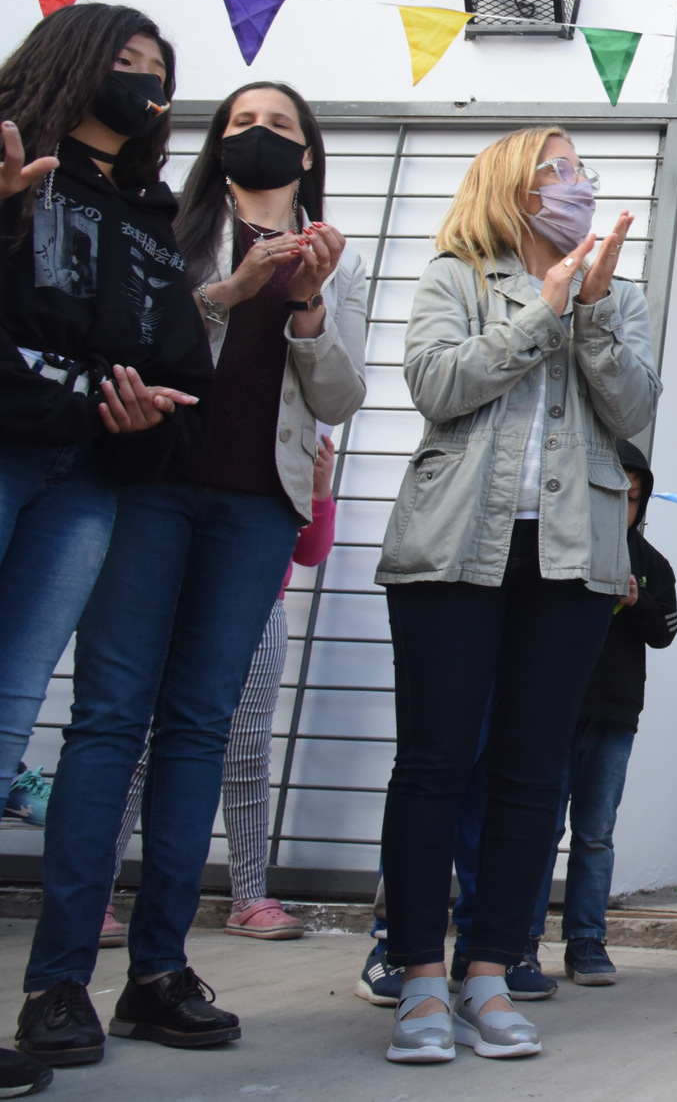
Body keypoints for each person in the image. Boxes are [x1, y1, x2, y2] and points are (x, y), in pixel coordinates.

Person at [19, 79, 366, 1068]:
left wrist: (305, 306)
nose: (259, 138)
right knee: (110, 717)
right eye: (242, 124)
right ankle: (56, 980)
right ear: (216, 144)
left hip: (258, 504)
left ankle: (161, 971)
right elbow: (129, 342)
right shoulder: (168, 224)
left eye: (281, 127)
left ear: (308, 153)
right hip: (150, 487)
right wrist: (229, 289)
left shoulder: (341, 252)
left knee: (200, 726)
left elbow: (341, 390)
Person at [374, 126, 657, 1066]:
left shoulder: (620, 295)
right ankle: (418, 971)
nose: (578, 184)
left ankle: (491, 969)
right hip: (455, 546)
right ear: (512, 186)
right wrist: (540, 308)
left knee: (536, 769)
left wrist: (594, 305)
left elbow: (633, 411)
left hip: (572, 557)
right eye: (559, 170)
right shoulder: (455, 273)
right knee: (436, 760)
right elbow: (437, 383)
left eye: (583, 171)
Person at [0, 7, 210, 1102]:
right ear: (67, 65)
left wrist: (143, 410)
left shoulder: (145, 208)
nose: (145, 87)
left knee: (8, 710)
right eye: (125, 66)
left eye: (159, 75)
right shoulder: (10, 160)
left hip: (85, 473)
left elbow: (172, 354)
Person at [100, 432, 340, 948]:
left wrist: (320, 490)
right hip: (172, 601)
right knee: (138, 749)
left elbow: (311, 552)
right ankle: (96, 893)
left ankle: (250, 895)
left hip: (260, 611)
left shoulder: (295, 443)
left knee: (247, 753)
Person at [536, 437, 677, 987]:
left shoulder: (649, 562)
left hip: (615, 714)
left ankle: (587, 941)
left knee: (595, 833)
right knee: (540, 827)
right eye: (611, 495)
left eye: (633, 499)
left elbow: (667, 631)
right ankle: (522, 940)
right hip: (552, 708)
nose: (621, 508)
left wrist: (635, 599)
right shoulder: (556, 545)